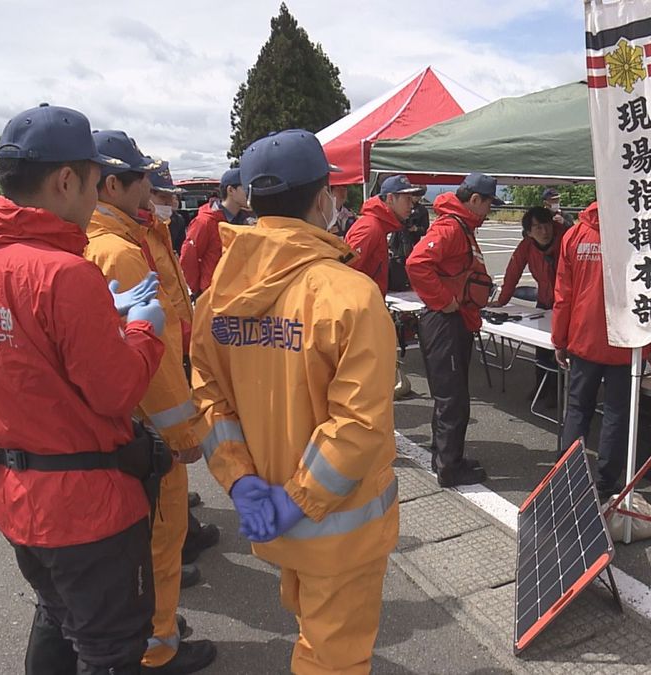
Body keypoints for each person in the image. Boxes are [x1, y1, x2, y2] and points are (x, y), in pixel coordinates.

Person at [0, 104, 167, 674]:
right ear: (66, 179)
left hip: (17, 492)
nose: (96, 197)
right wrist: (141, 330)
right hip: (87, 505)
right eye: (92, 181)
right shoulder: (64, 273)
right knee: (110, 649)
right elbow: (115, 392)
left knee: (58, 620)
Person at [191, 129, 399, 674]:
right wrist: (300, 499)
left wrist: (240, 482)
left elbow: (209, 396)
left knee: (311, 634)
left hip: (266, 516)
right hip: (339, 527)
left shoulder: (218, 297)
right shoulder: (350, 295)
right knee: (335, 659)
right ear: (321, 198)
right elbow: (357, 426)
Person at [85, 131, 217, 674]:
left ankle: (150, 626)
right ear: (114, 184)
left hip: (126, 416)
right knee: (162, 538)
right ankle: (158, 647)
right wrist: (184, 435)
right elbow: (152, 353)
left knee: (143, 539)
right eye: (144, 178)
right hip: (149, 420)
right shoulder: (116, 251)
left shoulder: (120, 234)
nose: (154, 187)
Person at [552, 202, 651, 499]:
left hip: (583, 339)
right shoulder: (639, 236)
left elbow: (563, 295)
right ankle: (606, 482)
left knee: (577, 408)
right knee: (616, 413)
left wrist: (559, 340)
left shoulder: (574, 236)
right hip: (625, 342)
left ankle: (566, 474)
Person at [405, 172, 501, 487]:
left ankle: (447, 457)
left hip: (454, 319)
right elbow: (417, 264)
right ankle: (449, 467)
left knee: (452, 395)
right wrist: (445, 300)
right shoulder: (452, 228)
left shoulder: (461, 226)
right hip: (445, 321)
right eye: (488, 204)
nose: (489, 211)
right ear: (475, 200)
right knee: (452, 398)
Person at [492, 206, 566, 405]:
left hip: (567, 303)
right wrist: (502, 301)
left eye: (547, 225)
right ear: (529, 232)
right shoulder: (526, 246)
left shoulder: (566, 238)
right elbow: (513, 271)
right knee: (542, 347)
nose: (544, 231)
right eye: (538, 228)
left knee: (561, 347)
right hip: (544, 300)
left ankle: (558, 392)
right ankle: (541, 386)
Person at [345, 174, 425, 293]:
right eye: (407, 199)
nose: (411, 205)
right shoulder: (370, 228)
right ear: (390, 199)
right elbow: (345, 270)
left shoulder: (378, 226)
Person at [181, 168, 249, 297]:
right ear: (230, 190)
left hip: (239, 294)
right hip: (212, 295)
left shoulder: (247, 220)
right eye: (245, 188)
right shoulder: (205, 222)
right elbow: (188, 258)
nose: (249, 193)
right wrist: (199, 291)